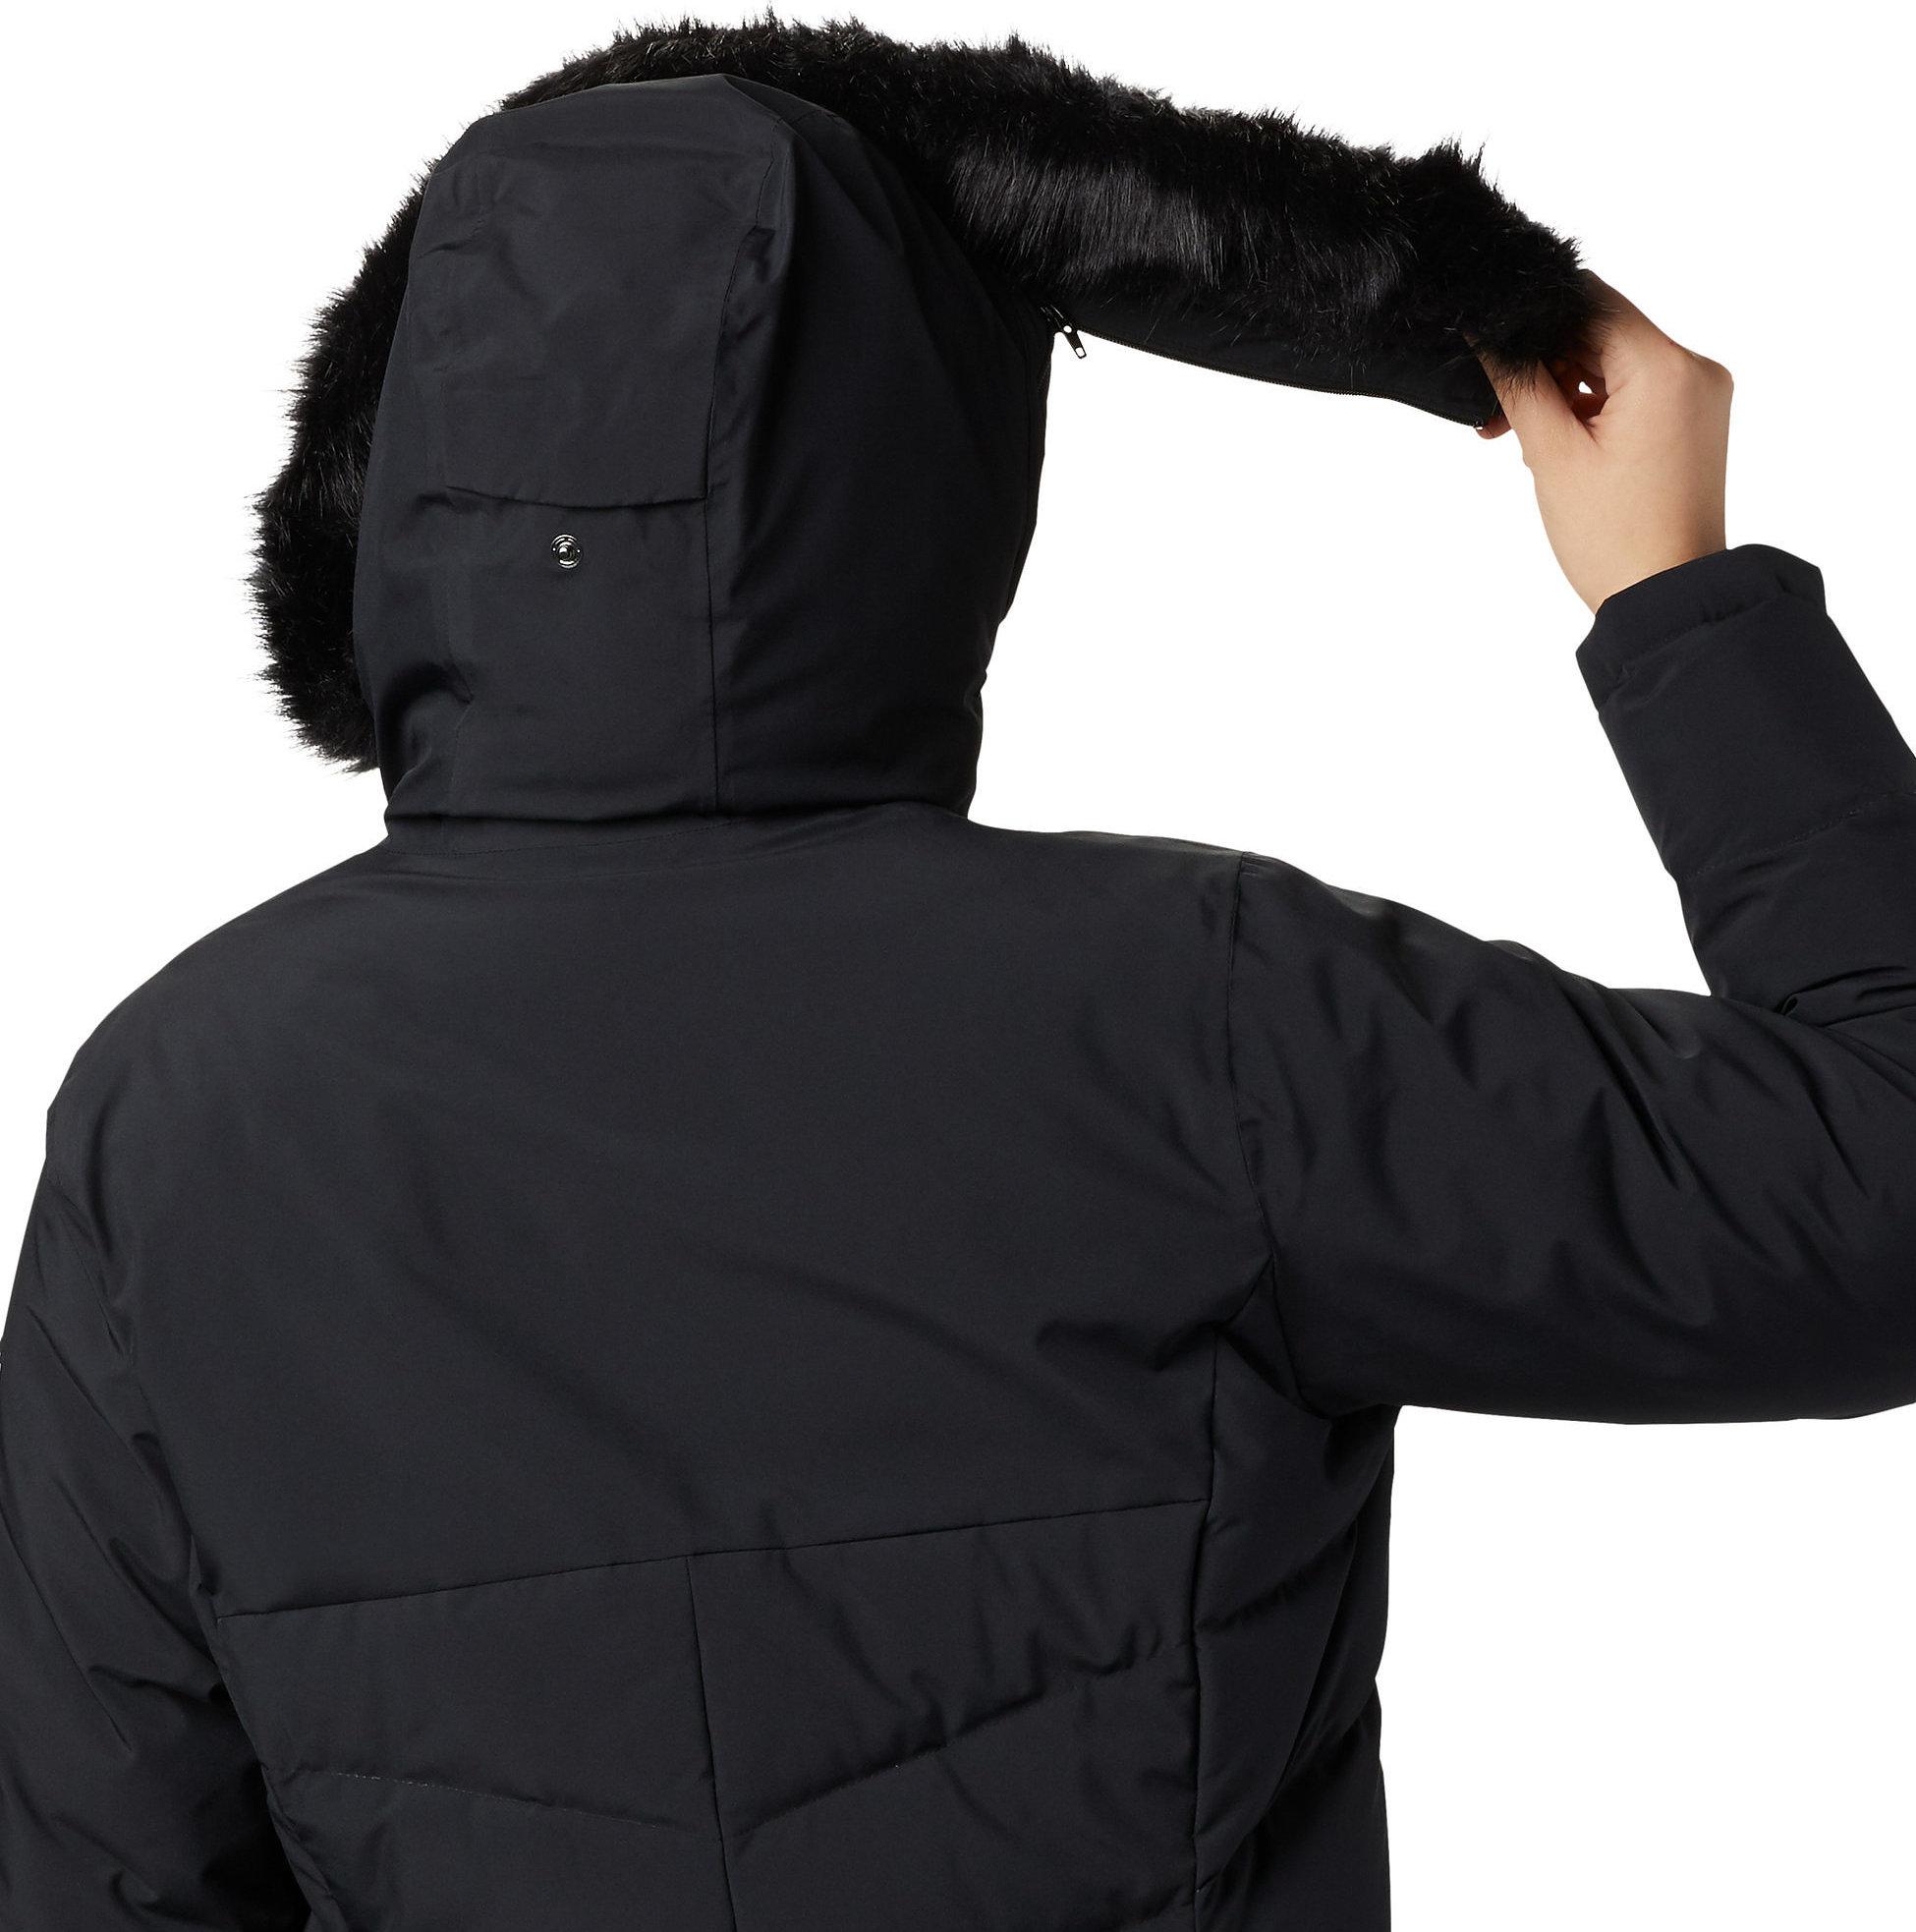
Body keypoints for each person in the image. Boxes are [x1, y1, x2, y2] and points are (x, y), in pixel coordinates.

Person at [2, 28, 1912, 1931]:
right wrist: (1677, 598)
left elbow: (98, 1869)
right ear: (931, 467)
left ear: (403, 476)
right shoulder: (1201, 1022)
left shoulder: (169, 1119)